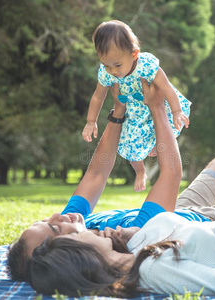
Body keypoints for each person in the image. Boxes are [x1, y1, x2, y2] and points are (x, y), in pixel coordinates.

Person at [7, 79, 206, 282]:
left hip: (182, 209)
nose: (57, 216)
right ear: (65, 253)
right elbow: (170, 174)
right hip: (205, 218)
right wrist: (157, 108)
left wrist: (118, 110)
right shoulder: (131, 239)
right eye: (54, 228)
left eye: (44, 220)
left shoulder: (76, 224)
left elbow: (96, 174)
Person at [28, 145, 215, 298]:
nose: (95, 231)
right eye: (63, 233)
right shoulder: (153, 271)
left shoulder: (131, 251)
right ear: (79, 254)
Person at [82, 20, 191, 192]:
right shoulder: (106, 73)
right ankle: (140, 171)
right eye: (106, 65)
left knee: (167, 128)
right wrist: (90, 121)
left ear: (134, 54)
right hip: (134, 113)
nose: (113, 71)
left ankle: (155, 144)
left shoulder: (146, 65)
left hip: (157, 107)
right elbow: (98, 96)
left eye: (117, 65)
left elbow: (167, 88)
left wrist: (177, 111)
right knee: (128, 144)